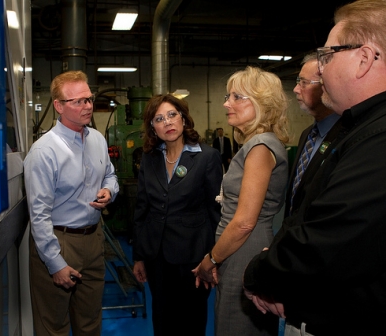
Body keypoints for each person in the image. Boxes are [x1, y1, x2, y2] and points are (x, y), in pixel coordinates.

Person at [243, 1, 386, 335]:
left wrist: (258, 273)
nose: (320, 70)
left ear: (363, 59)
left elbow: (327, 241)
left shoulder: (378, 137)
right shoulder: (360, 129)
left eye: (327, 56)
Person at [193, 66, 290, 336]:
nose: (227, 104)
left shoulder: (260, 147)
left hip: (245, 248)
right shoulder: (256, 144)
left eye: (237, 97)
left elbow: (245, 222)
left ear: (261, 104)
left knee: (236, 327)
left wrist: (210, 260)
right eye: (228, 96)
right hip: (236, 249)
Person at [24, 70, 119, 336]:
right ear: (58, 106)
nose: (87, 106)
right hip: (59, 240)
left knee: (90, 322)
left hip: (93, 238)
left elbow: (110, 175)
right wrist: (55, 263)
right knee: (52, 325)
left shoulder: (97, 140)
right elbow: (39, 215)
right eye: (77, 101)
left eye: (88, 99)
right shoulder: (44, 152)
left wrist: (108, 191)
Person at [132, 94, 222, 336]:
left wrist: (214, 259)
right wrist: (139, 256)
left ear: (183, 118)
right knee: (162, 321)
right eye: (159, 118)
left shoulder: (206, 157)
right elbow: (142, 208)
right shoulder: (149, 159)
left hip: (193, 259)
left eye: (172, 115)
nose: (168, 122)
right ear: (153, 127)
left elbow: (216, 212)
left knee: (191, 322)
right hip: (157, 258)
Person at [285, 52, 341, 217]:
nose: (295, 90)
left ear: (326, 85)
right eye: (297, 82)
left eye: (303, 82)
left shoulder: (346, 136)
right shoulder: (307, 135)